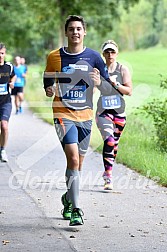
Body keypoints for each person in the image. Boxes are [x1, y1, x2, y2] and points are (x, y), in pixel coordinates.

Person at [43, 15, 113, 226]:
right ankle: (76, 209)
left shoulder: (94, 57)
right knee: (73, 158)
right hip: (63, 114)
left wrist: (99, 81)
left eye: (78, 29)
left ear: (84, 32)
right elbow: (47, 80)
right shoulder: (54, 57)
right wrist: (48, 89)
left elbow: (109, 88)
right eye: (71, 29)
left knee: (78, 164)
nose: (75, 32)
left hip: (85, 116)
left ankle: (67, 198)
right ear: (66, 32)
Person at [95, 40, 132, 190]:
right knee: (109, 141)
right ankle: (108, 177)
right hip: (103, 112)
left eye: (112, 51)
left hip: (119, 113)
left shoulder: (123, 70)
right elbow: (92, 88)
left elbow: (129, 91)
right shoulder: (98, 70)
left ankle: (107, 171)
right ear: (103, 54)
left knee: (114, 145)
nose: (110, 54)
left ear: (116, 53)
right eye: (107, 52)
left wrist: (114, 84)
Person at [0, 43, 15, 162]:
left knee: (4, 126)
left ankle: (2, 150)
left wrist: (12, 82)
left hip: (5, 102)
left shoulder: (9, 66)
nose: (0, 55)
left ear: (5, 54)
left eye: (2, 53)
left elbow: (13, 76)